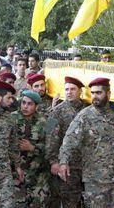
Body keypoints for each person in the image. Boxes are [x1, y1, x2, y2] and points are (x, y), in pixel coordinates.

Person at [59, 77, 114, 207]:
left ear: (108, 94)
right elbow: (69, 141)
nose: (95, 96)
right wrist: (63, 162)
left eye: (99, 93)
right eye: (93, 93)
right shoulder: (84, 116)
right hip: (95, 180)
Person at [46, 77, 87, 208]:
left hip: (87, 165)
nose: (69, 92)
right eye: (67, 89)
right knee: (70, 201)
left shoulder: (88, 109)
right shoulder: (56, 111)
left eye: (73, 89)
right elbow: (50, 137)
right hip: (68, 165)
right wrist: (53, 161)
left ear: (80, 91)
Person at [12, 90, 49, 207]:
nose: (25, 106)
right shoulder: (11, 119)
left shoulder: (46, 122)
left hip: (38, 175)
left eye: (30, 104)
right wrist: (16, 165)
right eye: (23, 103)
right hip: (16, 173)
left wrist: (33, 147)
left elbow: (51, 147)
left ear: (36, 106)